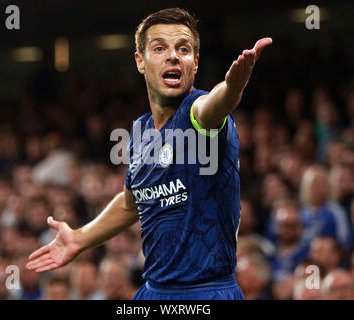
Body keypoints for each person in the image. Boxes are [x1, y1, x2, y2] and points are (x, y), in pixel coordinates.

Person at [26, 7, 272, 300]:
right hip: (153, 291)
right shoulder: (141, 132)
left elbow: (215, 105)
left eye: (183, 49)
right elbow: (133, 202)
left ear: (195, 63)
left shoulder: (197, 113)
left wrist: (233, 87)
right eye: (159, 48)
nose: (173, 56)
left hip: (205, 293)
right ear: (140, 61)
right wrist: (80, 238)